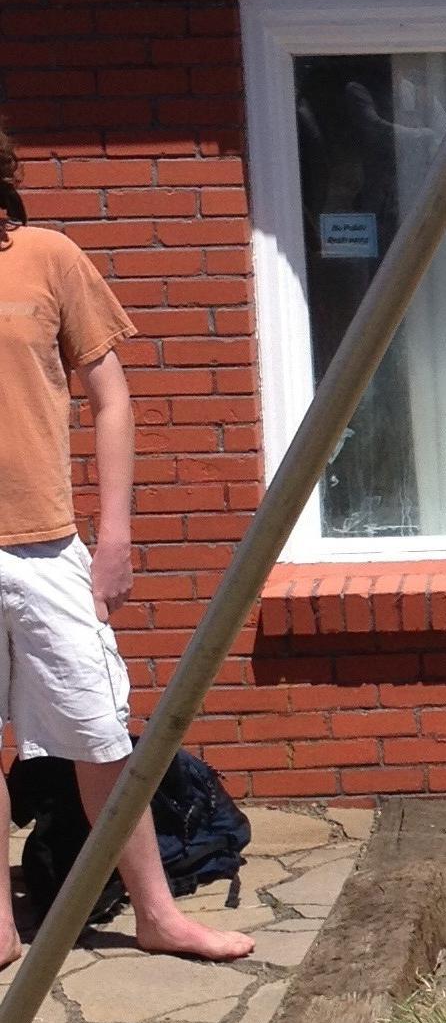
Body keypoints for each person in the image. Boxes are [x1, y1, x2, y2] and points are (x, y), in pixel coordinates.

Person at [0, 123, 253, 967]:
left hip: (44, 547)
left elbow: (112, 400)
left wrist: (116, 532)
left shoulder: (45, 256)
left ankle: (156, 914)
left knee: (101, 733)